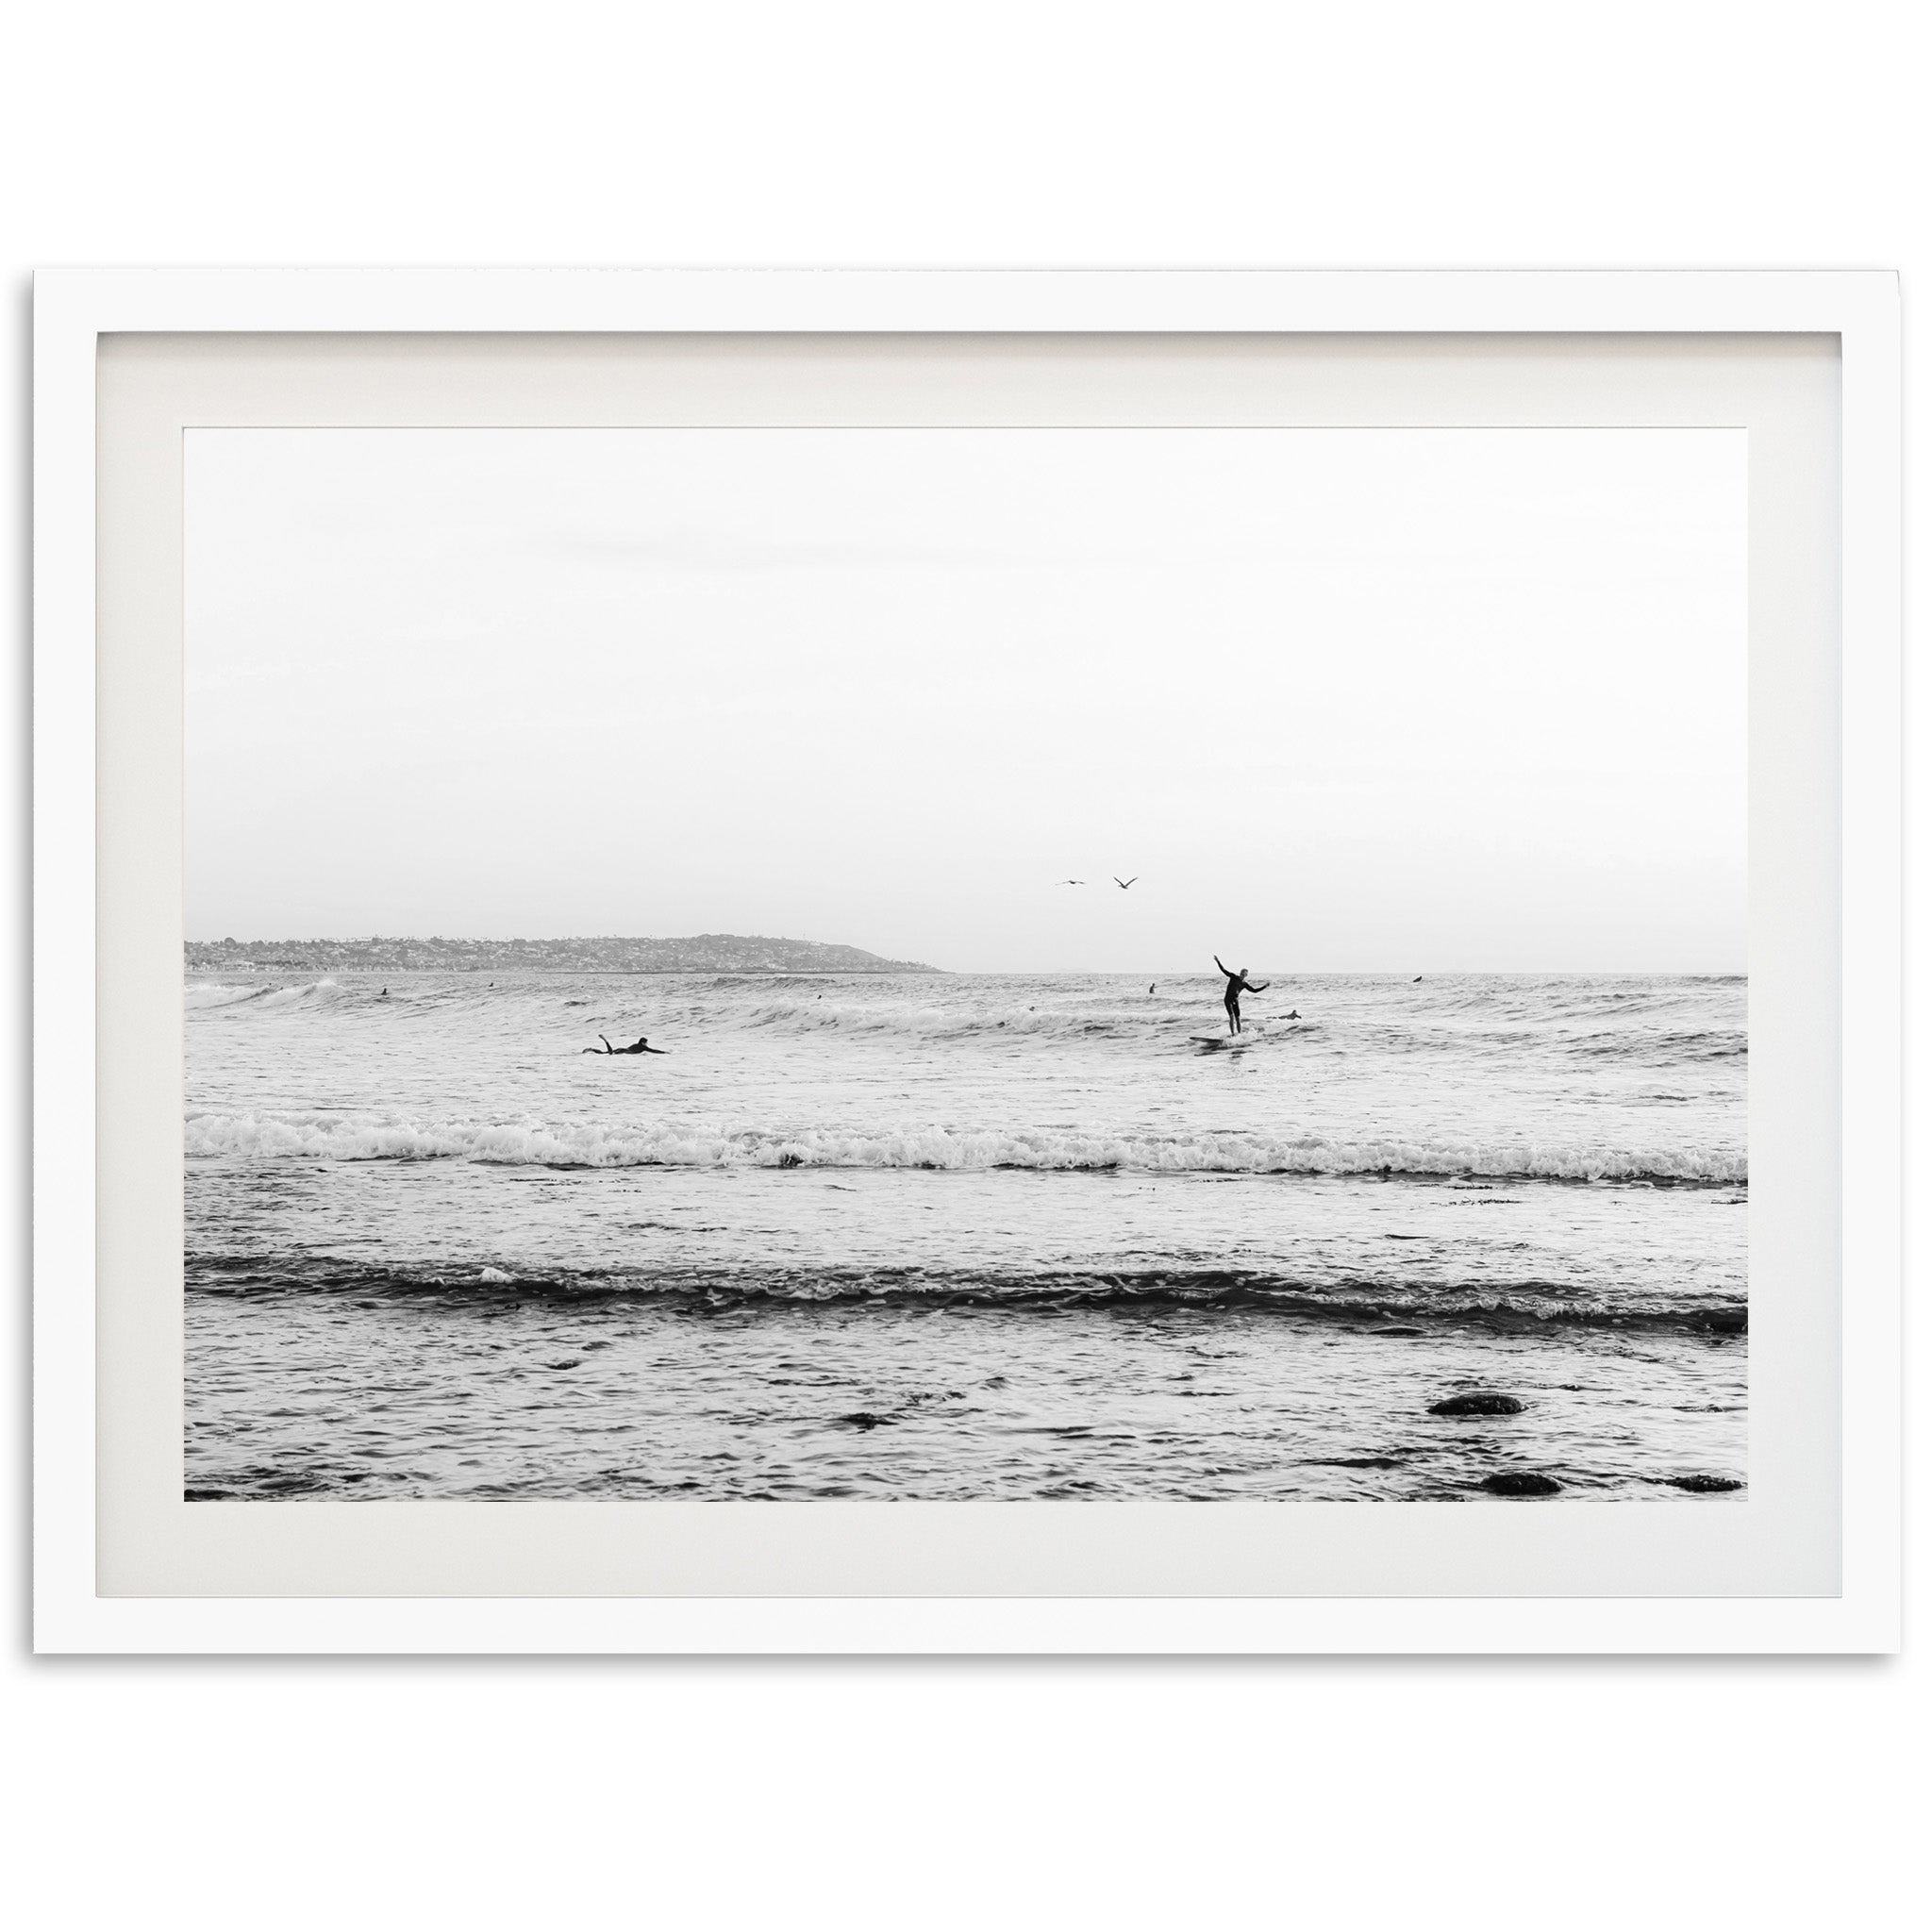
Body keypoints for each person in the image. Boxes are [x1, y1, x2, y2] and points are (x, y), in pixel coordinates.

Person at [1213, 956, 1270, 1035]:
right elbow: (1224, 970)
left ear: (1246, 975)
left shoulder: (1244, 984)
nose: (1242, 975)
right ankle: (1233, 1034)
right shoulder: (1233, 977)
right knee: (1232, 1017)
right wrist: (1218, 962)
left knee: (1238, 1019)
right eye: (1241, 973)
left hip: (1235, 1001)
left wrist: (1265, 986)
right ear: (1240, 973)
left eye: (1244, 974)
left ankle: (1239, 1035)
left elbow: (1254, 991)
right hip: (1228, 999)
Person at [583, 1034, 667, 1056]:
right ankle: (606, 1041)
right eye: (646, 1043)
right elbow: (653, 1051)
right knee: (610, 1053)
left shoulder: (635, 1045)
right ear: (643, 1043)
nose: (647, 1044)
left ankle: (592, 1049)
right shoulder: (643, 1047)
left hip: (622, 1049)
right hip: (624, 1051)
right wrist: (664, 1052)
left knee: (604, 1053)